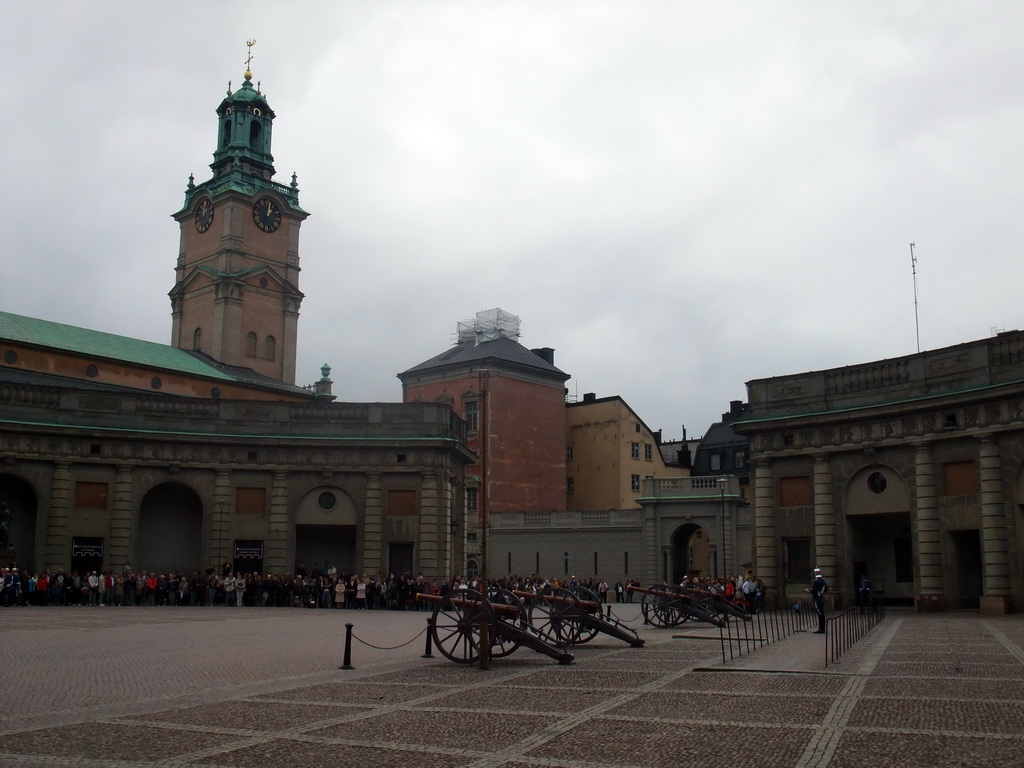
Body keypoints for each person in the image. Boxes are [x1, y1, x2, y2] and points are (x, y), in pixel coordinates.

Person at [808, 567, 828, 634]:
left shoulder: (816, 581)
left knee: (820, 613)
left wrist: (808, 591)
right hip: (821, 597)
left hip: (817, 598)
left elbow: (814, 591)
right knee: (821, 613)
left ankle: (821, 628)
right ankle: (822, 628)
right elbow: (826, 589)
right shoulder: (822, 580)